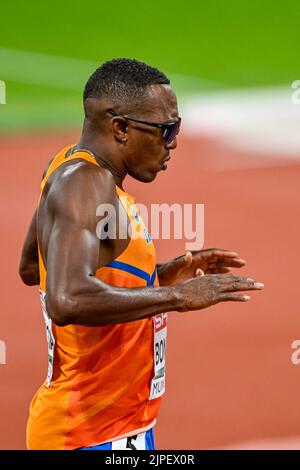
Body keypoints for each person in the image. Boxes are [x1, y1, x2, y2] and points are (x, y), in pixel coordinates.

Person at [19, 58, 264, 450]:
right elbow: (66, 300)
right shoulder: (86, 184)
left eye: (177, 127)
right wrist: (178, 297)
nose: (174, 142)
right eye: (166, 129)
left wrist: (159, 274)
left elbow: (35, 267)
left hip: (115, 430)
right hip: (86, 436)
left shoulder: (69, 168)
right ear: (120, 127)